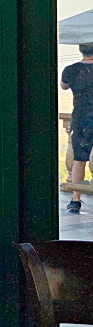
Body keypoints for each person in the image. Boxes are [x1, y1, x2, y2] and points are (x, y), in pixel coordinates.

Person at [64, 43, 93, 213]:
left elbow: (64, 85)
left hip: (81, 117)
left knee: (79, 159)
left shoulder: (71, 70)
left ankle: (76, 199)